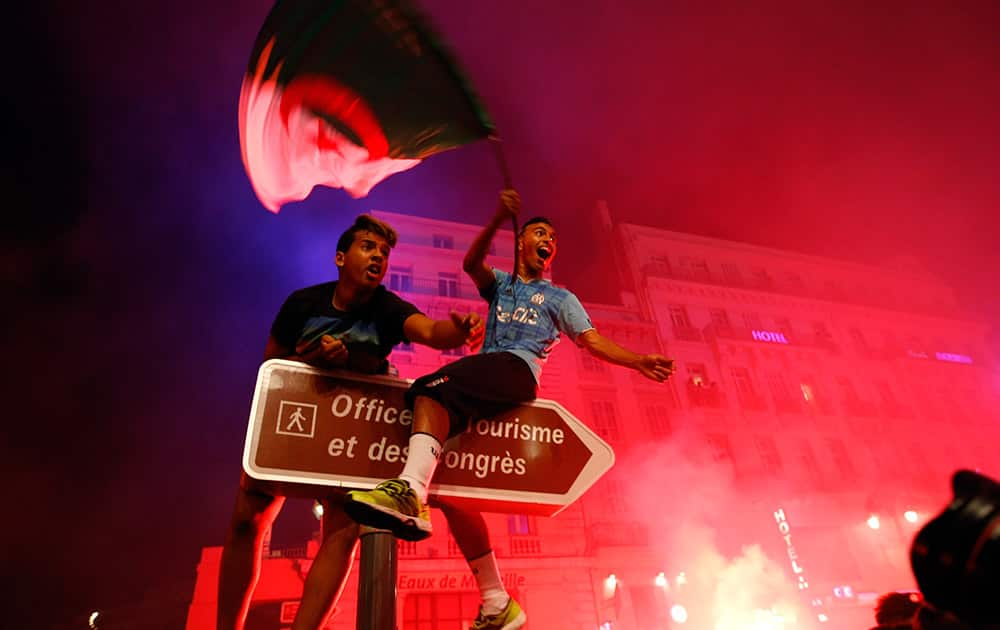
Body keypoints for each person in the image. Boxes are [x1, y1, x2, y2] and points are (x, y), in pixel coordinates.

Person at [344, 190, 676, 630]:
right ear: (521, 242)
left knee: (429, 387)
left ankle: (408, 488)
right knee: (454, 492)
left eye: (553, 238)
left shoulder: (560, 299)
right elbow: (471, 265)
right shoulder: (501, 284)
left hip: (517, 372)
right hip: (489, 375)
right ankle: (497, 600)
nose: (549, 241)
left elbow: (591, 341)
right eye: (541, 233)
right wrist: (499, 214)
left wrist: (637, 361)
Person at [217, 214, 484, 630]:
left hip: (352, 435)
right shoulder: (302, 303)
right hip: (296, 423)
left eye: (384, 252)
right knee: (244, 520)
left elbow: (431, 330)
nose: (378, 255)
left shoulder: (387, 307)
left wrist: (459, 329)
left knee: (342, 528)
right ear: (341, 258)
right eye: (367, 247)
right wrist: (313, 360)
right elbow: (270, 366)